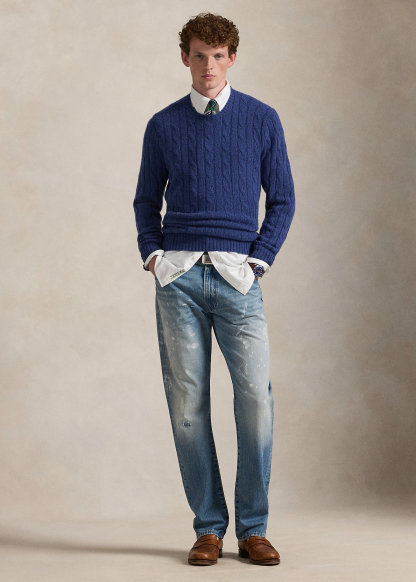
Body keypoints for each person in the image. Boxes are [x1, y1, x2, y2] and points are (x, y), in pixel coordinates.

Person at [133, 12, 295, 566]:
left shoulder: (261, 119)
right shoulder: (163, 125)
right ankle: (208, 528)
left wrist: (260, 260)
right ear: (185, 57)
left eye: (218, 56)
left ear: (232, 58)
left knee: (255, 402)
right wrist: (153, 254)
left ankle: (253, 529)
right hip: (178, 278)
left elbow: (283, 199)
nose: (209, 66)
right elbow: (145, 199)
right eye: (199, 55)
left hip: (237, 278)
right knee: (187, 407)